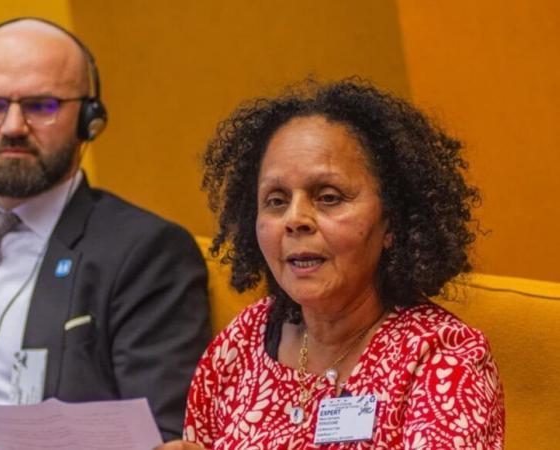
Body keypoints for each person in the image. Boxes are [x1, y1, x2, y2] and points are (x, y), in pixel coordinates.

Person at [0, 18, 211, 447]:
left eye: (41, 105)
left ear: (89, 121)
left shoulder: (146, 252)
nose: (13, 126)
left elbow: (162, 437)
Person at [159, 79, 504, 449]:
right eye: (275, 201)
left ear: (390, 221)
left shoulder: (444, 361)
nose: (295, 219)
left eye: (328, 197)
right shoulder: (243, 341)